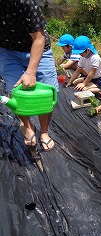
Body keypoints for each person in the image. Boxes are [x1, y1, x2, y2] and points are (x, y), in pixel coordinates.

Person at [0, 0, 58, 151]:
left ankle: (44, 131)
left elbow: (39, 38)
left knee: (46, 92)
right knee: (15, 92)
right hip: (7, 50)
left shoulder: (23, 2)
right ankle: (27, 126)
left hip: (37, 46)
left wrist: (31, 72)